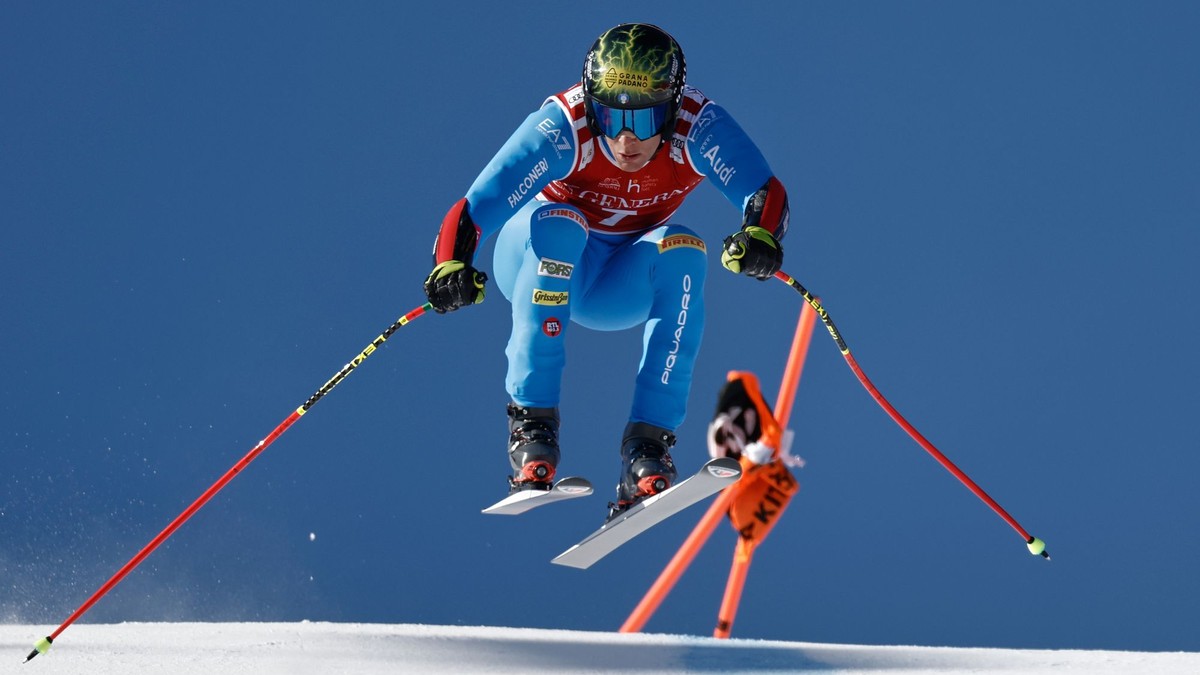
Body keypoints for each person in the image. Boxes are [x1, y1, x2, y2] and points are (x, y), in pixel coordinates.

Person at [422, 23, 790, 518]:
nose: (624, 137)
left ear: (673, 106)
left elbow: (763, 192)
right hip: (537, 260)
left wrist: (759, 237)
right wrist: (452, 264)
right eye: (610, 115)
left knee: (686, 249)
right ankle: (532, 426)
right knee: (565, 223)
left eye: (643, 121)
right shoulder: (564, 127)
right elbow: (476, 206)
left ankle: (647, 448)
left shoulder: (696, 127)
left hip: (614, 283)